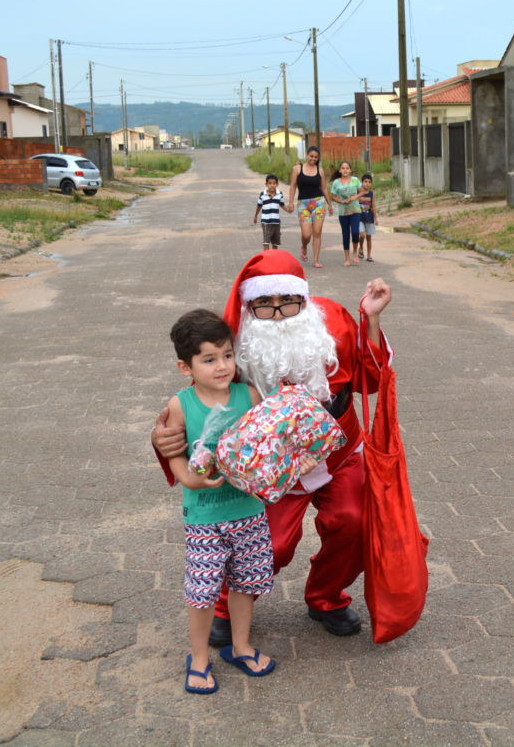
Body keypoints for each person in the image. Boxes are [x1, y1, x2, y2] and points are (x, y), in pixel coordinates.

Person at [153, 250, 392, 645]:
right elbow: (199, 397)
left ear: (304, 297)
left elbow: (371, 377)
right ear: (249, 305)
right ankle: (225, 603)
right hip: (271, 464)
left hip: (339, 448)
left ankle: (326, 597)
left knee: (353, 520)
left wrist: (373, 318)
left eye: (288, 301)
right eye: (265, 303)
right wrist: (162, 437)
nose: (278, 313)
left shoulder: (334, 321)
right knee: (273, 545)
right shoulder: (235, 342)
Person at [164, 309, 275, 693]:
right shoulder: (181, 404)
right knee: (203, 590)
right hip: (205, 517)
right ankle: (198, 657)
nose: (222, 366)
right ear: (186, 366)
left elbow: (269, 444)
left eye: (227, 355)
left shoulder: (250, 395)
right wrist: (188, 478)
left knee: (246, 584)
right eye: (209, 359)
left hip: (249, 512)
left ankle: (241, 646)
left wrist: (296, 458)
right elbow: (174, 452)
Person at [287, 146, 330, 268]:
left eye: (316, 157)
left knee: (317, 232)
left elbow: (324, 188)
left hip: (319, 203)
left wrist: (330, 204)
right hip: (303, 204)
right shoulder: (297, 169)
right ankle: (304, 246)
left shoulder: (320, 170)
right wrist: (291, 202)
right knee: (306, 234)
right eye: (311, 156)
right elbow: (293, 186)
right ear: (306, 155)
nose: (313, 159)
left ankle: (316, 260)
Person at [330, 161, 363, 267]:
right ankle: (347, 258)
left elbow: (362, 191)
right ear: (340, 170)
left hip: (355, 211)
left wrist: (354, 197)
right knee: (345, 234)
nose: (345, 170)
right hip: (343, 212)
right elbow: (333, 196)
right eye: (343, 168)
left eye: (347, 168)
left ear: (350, 170)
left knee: (355, 232)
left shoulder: (355, 180)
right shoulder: (336, 183)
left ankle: (354, 253)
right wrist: (342, 201)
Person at [253, 173, 284, 251]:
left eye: (274, 183)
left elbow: (282, 205)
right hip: (266, 222)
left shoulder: (280, 194)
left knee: (275, 243)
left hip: (276, 222)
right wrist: (255, 216)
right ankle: (266, 259)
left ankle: (274, 260)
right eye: (270, 183)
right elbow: (259, 206)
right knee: (266, 242)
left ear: (277, 184)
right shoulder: (262, 194)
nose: (272, 185)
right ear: (266, 184)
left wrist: (289, 209)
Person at [357, 173, 377, 262]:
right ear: (362, 182)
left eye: (369, 182)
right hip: (359, 217)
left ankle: (369, 255)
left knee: (369, 237)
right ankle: (360, 247)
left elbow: (374, 206)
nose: (367, 184)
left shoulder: (371, 194)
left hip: (369, 217)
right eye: (365, 181)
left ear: (371, 184)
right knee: (362, 234)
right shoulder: (358, 192)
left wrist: (376, 218)